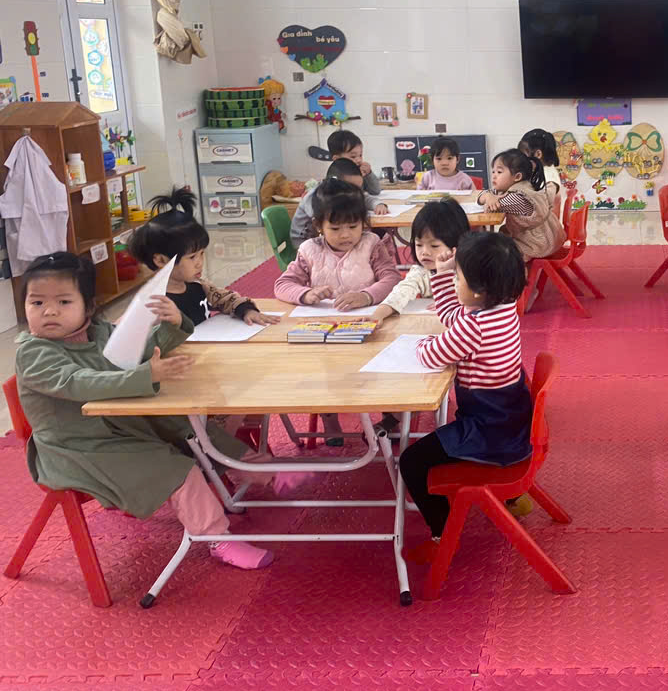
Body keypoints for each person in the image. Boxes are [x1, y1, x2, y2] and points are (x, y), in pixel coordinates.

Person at [14, 252, 303, 570]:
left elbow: (137, 350)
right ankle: (216, 539)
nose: (49, 311)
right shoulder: (33, 352)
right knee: (176, 468)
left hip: (118, 425)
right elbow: (78, 382)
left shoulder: (97, 331)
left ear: (89, 306)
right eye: (36, 302)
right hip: (78, 449)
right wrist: (146, 375)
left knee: (190, 429)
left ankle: (263, 472)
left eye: (64, 302)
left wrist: (172, 324)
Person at [399, 231, 532, 563]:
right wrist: (442, 275)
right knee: (424, 453)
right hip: (510, 422)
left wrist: (420, 342)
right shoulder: (502, 308)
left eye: (457, 277)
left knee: (411, 461)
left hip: (489, 433)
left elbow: (430, 355)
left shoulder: (474, 327)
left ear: (478, 290)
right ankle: (513, 498)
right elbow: (452, 317)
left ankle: (442, 534)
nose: (454, 282)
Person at [275, 179, 400, 445]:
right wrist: (305, 294)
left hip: (369, 328)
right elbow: (282, 285)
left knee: (387, 369)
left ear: (364, 223)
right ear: (318, 225)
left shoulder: (371, 244)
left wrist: (366, 295)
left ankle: (391, 416)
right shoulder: (309, 251)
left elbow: (391, 278)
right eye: (335, 228)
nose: (345, 235)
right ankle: (329, 418)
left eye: (353, 227)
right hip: (326, 335)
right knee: (324, 375)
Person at [130, 187, 279, 329]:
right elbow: (153, 341)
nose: (200, 263)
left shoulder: (198, 285)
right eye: (192, 257)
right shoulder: (154, 302)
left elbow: (226, 298)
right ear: (161, 260)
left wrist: (247, 310)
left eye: (202, 254)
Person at [372, 199, 470, 322]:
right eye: (419, 245)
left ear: (457, 246)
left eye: (434, 246)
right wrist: (378, 315)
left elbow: (483, 298)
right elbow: (401, 292)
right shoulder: (421, 272)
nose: (425, 252)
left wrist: (451, 304)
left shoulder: (469, 271)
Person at [476, 149, 565, 261]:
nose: (493, 176)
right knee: (501, 236)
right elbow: (482, 196)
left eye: (499, 172)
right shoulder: (524, 185)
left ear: (517, 177)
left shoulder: (516, 197)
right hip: (548, 235)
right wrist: (488, 196)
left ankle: (515, 270)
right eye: (493, 171)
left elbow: (490, 206)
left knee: (496, 250)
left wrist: (488, 197)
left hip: (538, 243)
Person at [291, 158, 389, 246]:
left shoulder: (348, 193)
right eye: (352, 188)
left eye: (358, 189)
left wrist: (378, 204)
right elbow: (327, 220)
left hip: (330, 237)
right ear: (336, 183)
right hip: (304, 241)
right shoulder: (316, 195)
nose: (356, 192)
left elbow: (364, 197)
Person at [327, 128, 381, 196]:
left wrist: (369, 173)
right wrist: (356, 180)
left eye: (360, 155)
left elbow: (376, 191)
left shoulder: (359, 170)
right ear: (337, 159)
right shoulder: (335, 176)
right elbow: (348, 197)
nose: (359, 160)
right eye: (353, 156)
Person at [519, 128, 562, 198]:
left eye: (523, 156)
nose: (520, 160)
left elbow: (540, 202)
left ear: (538, 154)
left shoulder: (549, 180)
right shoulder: (538, 172)